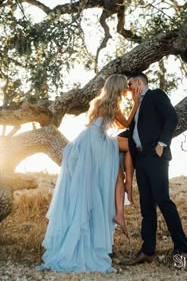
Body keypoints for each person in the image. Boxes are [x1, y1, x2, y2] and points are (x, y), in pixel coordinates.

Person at [37, 74, 139, 273]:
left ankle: (120, 209)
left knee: (116, 175)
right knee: (132, 147)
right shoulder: (112, 105)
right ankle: (126, 194)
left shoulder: (101, 102)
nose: (127, 89)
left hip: (89, 140)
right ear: (118, 88)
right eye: (125, 86)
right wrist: (135, 103)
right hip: (97, 141)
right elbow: (126, 124)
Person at [123, 72, 187, 265]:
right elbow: (132, 131)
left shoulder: (156, 95)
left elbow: (171, 118)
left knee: (163, 201)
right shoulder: (136, 105)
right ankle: (147, 251)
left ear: (138, 82)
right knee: (146, 206)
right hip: (140, 158)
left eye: (129, 85)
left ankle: (182, 249)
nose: (128, 91)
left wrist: (162, 144)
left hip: (155, 155)